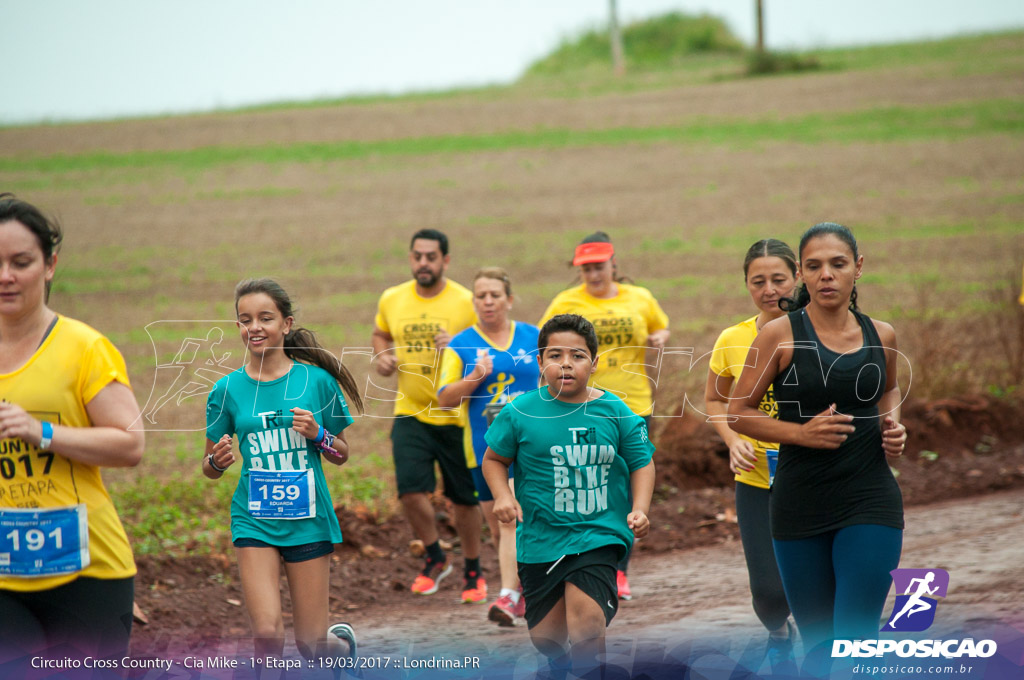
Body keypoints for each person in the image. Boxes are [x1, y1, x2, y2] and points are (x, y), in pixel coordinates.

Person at [728, 223, 907, 675]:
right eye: (814, 266)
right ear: (802, 275)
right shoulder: (778, 336)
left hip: (869, 500)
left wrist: (894, 426)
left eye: (837, 264)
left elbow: (888, 389)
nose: (826, 275)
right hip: (798, 505)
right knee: (820, 647)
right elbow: (738, 412)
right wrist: (800, 433)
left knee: (855, 638)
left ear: (857, 268)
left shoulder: (881, 334)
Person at [0, 193, 145, 661]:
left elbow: (129, 444)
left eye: (21, 262)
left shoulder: (84, 348)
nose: (6, 276)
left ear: (50, 265)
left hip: (88, 572)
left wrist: (40, 431)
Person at [482, 314, 655, 676]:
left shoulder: (614, 411)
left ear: (593, 363)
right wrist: (502, 496)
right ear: (540, 361)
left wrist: (639, 509)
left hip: (598, 532)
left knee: (587, 624)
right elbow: (494, 460)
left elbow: (642, 462)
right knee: (547, 638)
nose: (565, 364)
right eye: (555, 355)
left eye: (577, 356)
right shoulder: (519, 412)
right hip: (541, 538)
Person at [204, 278, 360, 662]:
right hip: (254, 519)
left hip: (308, 518)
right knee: (267, 633)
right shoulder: (226, 390)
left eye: (264, 318)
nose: (253, 327)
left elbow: (341, 454)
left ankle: (342, 652)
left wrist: (319, 434)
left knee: (312, 647)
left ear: (286, 324)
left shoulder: (316, 382)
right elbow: (209, 467)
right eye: (244, 320)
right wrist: (217, 462)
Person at [539, 231, 668, 600]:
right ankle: (584, 558)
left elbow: (660, 324)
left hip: (634, 405)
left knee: (627, 486)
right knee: (594, 485)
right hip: (583, 405)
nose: (594, 274)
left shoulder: (639, 297)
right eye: (586, 268)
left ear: (614, 264)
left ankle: (619, 567)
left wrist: (660, 338)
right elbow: (546, 344)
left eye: (599, 266)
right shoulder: (566, 301)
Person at [371, 229, 484, 600]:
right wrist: (383, 355)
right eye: (417, 256)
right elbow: (380, 333)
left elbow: (487, 348)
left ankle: (472, 569)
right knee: (410, 490)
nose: (423, 263)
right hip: (411, 410)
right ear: (410, 258)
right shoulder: (393, 298)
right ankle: (435, 556)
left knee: (464, 501)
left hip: (457, 417)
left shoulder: (467, 302)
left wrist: (457, 348)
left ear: (445, 261)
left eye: (431, 257)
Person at [704, 238, 798, 672]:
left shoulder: (822, 332)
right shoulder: (733, 338)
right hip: (757, 478)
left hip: (817, 477)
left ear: (797, 277)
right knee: (769, 594)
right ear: (746, 285)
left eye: (778, 279)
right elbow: (715, 401)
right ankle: (779, 634)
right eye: (757, 281)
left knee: (819, 586)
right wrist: (732, 439)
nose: (769, 289)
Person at [437, 267, 540, 625]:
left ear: (509, 299)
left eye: (495, 294)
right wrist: (475, 377)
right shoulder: (461, 345)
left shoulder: (534, 336)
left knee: (515, 521)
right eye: (481, 295)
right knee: (500, 528)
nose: (488, 301)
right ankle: (524, 592)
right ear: (474, 302)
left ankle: (511, 596)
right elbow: (444, 399)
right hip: (484, 451)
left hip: (533, 447)